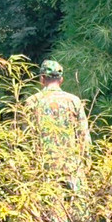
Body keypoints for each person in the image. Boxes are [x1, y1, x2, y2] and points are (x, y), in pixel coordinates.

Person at [24, 59, 91, 192]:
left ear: (42, 78)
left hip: (45, 168)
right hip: (72, 166)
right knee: (78, 209)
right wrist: (86, 163)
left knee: (49, 210)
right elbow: (84, 136)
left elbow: (26, 138)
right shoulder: (74, 101)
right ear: (61, 80)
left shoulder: (32, 102)